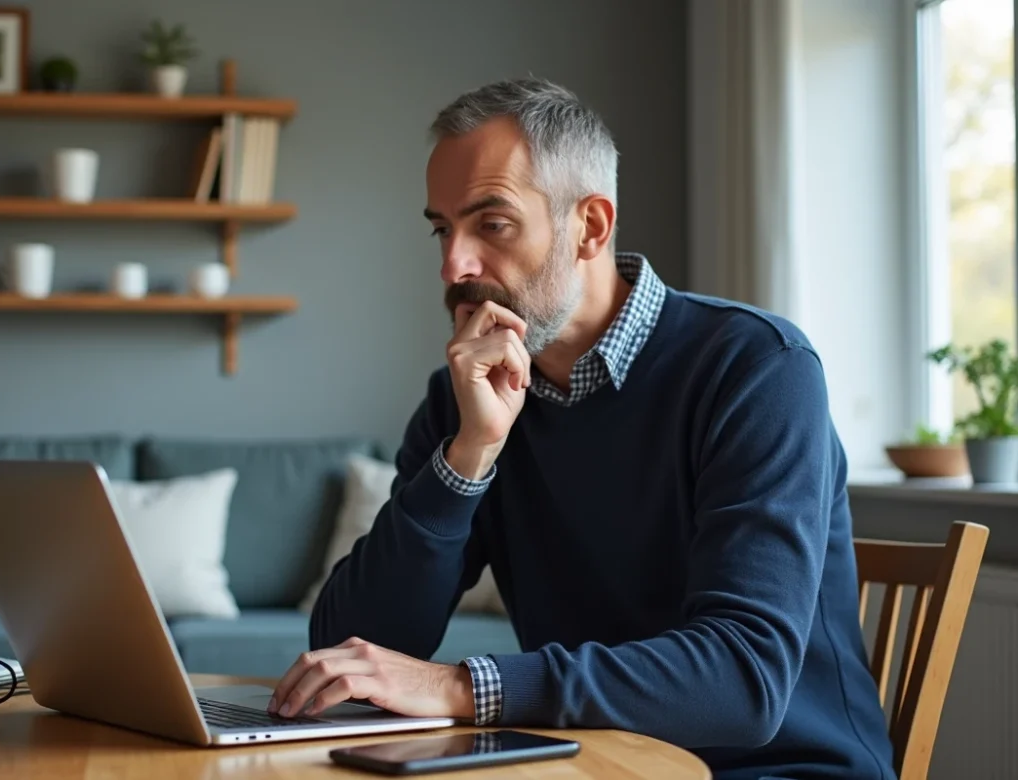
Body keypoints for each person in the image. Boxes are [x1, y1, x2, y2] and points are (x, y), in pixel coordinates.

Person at [269, 78, 897, 779]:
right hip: (584, 765)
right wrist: (468, 457)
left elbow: (743, 680)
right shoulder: (464, 403)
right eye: (443, 229)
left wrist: (458, 687)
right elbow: (351, 650)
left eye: (492, 224)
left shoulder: (756, 370)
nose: (453, 265)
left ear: (591, 227)